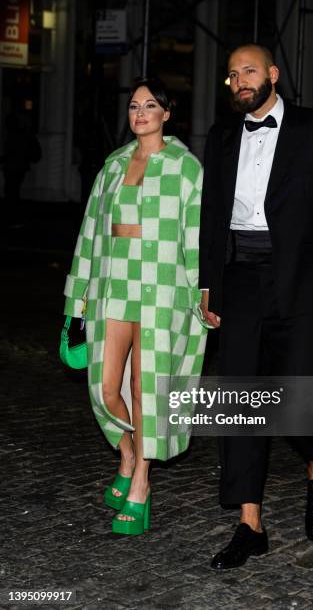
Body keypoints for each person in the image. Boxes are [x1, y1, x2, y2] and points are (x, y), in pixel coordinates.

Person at [199, 44, 313, 569]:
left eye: (248, 71)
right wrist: (208, 284)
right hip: (241, 277)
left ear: (272, 74)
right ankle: (250, 523)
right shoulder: (223, 134)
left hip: (302, 280)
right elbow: (211, 216)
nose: (239, 81)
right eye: (231, 75)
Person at [63, 77, 208, 535]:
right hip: (113, 284)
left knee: (148, 391)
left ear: (167, 114)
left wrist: (201, 295)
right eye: (133, 106)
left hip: (162, 290)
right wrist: (77, 300)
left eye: (150, 105)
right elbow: (89, 233)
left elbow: (196, 238)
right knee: (105, 389)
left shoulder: (186, 168)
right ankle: (127, 453)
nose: (140, 112)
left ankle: (141, 484)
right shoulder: (112, 166)